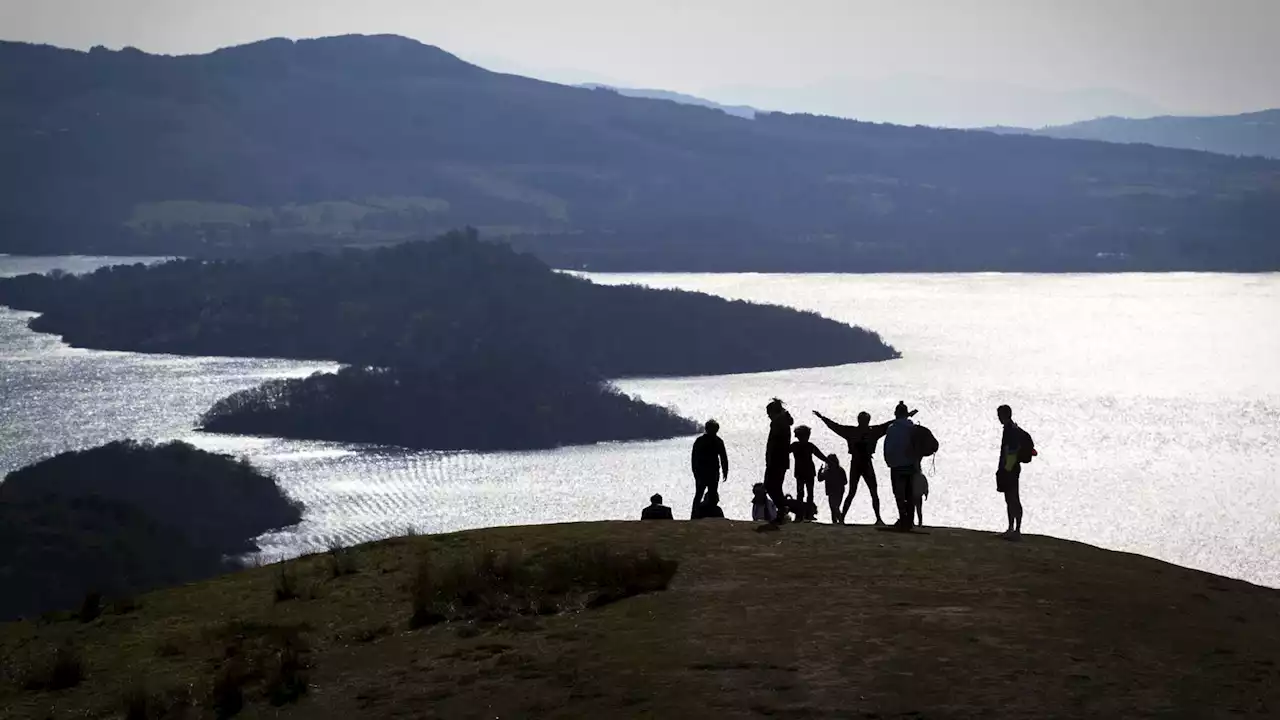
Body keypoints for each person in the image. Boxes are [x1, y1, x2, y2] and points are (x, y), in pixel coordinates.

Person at [814, 407, 915, 525]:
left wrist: (822, 418)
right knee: (866, 492)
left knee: (861, 492)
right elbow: (889, 423)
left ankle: (848, 517)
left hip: (860, 463)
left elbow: (835, 426)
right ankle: (871, 518)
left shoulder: (855, 432)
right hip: (863, 463)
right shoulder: (872, 431)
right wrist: (906, 416)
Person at [881, 401, 919, 530]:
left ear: (896, 413)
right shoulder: (912, 428)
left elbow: (888, 447)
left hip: (897, 466)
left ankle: (903, 518)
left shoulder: (892, 428)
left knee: (899, 494)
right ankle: (909, 520)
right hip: (911, 465)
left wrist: (889, 461)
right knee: (910, 494)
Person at [690, 419, 729, 519]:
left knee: (709, 494)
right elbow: (694, 458)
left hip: (710, 472)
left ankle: (706, 514)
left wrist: (725, 471)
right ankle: (697, 515)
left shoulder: (714, 441)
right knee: (701, 494)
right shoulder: (703, 441)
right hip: (705, 472)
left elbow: (723, 457)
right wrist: (695, 472)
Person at [996, 404, 1024, 539]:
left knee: (1013, 498)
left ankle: (1016, 529)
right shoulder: (1011, 428)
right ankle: (1011, 528)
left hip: (1010, 469)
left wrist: (1005, 468)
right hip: (1011, 468)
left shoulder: (1010, 430)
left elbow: (1010, 450)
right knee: (1009, 499)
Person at [763, 398, 793, 521]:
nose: (768, 416)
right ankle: (782, 510)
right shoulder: (782, 423)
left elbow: (775, 444)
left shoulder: (779, 424)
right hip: (780, 460)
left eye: (769, 414)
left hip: (776, 460)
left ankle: (782, 508)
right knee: (775, 486)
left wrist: (770, 459)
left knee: (771, 486)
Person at [789, 425, 827, 507]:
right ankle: (803, 512)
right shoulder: (800, 445)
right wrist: (828, 460)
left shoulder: (799, 445)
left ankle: (804, 513)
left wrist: (828, 460)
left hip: (805, 472)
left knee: (806, 493)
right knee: (803, 493)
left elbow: (819, 455)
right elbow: (820, 455)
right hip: (803, 472)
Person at [818, 453, 848, 524]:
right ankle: (838, 521)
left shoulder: (828, 471)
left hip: (833, 491)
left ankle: (838, 521)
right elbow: (845, 481)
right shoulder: (840, 470)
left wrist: (820, 471)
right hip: (838, 491)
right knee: (835, 507)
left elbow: (820, 478)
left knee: (833, 507)